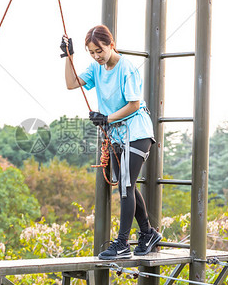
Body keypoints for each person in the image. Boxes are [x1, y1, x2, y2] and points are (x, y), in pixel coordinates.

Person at [61, 25, 162, 260]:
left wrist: (106, 118)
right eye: (91, 52)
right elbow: (71, 83)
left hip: (137, 132)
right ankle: (148, 233)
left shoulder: (126, 68)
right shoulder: (97, 68)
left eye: (100, 50)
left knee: (125, 187)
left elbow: (134, 104)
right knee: (126, 185)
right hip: (116, 135)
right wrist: (69, 56)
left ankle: (122, 243)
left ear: (111, 45)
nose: (97, 56)